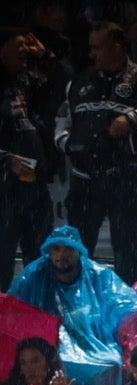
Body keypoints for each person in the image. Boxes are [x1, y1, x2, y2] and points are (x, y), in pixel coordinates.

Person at [56, 23, 137, 282]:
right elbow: (62, 121)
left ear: (117, 47)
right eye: (90, 48)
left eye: (97, 48)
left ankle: (126, 312)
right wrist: (67, 144)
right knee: (76, 250)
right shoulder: (79, 82)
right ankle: (76, 306)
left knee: (127, 251)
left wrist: (133, 118)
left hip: (125, 180)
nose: (92, 54)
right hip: (84, 180)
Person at [7, 224, 137, 385]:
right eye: (56, 249)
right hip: (49, 346)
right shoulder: (36, 274)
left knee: (111, 363)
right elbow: (14, 308)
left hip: (97, 345)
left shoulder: (98, 276)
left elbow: (127, 308)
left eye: (68, 249)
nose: (61, 255)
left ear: (79, 251)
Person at [0, 25, 56, 294]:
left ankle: (37, 327)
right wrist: (5, 159)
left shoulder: (26, 81)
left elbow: (63, 88)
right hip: (4, 190)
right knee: (2, 261)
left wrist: (45, 57)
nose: (25, 50)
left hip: (34, 187)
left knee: (41, 263)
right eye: (19, 44)